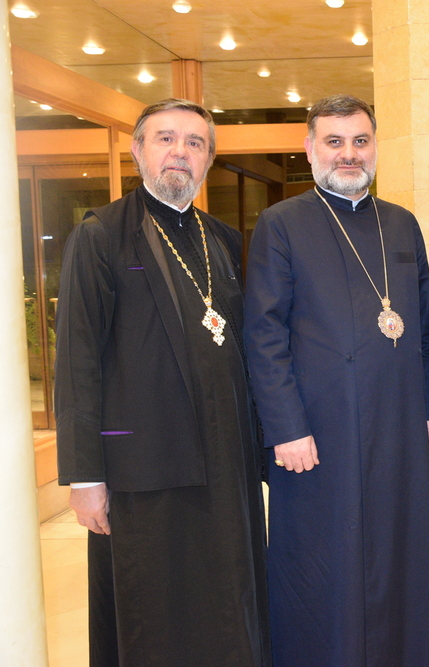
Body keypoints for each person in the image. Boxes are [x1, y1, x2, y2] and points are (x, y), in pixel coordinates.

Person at [55, 98, 270, 666]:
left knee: (226, 604)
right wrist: (84, 478)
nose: (181, 152)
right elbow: (78, 362)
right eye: (166, 139)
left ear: (208, 161)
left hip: (224, 466)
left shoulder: (222, 240)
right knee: (154, 613)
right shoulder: (102, 236)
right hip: (142, 469)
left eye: (195, 143)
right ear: (138, 150)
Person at [243, 94, 429, 667]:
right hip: (315, 434)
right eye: (334, 142)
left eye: (360, 141)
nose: (349, 153)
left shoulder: (402, 224)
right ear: (311, 149)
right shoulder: (281, 224)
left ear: (375, 147)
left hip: (396, 425)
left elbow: (421, 327)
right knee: (323, 564)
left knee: (396, 552)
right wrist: (285, 428)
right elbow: (263, 336)